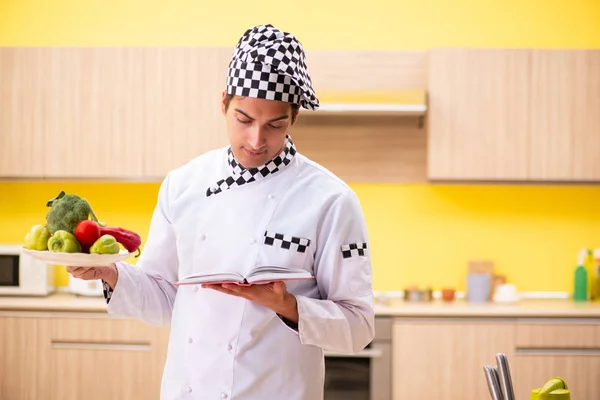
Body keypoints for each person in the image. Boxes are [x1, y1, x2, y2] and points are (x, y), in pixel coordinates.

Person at [67, 23, 375, 400]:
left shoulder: (331, 199)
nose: (256, 140)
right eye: (243, 119)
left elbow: (359, 326)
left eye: (274, 125)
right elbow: (165, 299)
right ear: (223, 103)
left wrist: (288, 305)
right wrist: (112, 274)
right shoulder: (184, 185)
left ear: (294, 118)